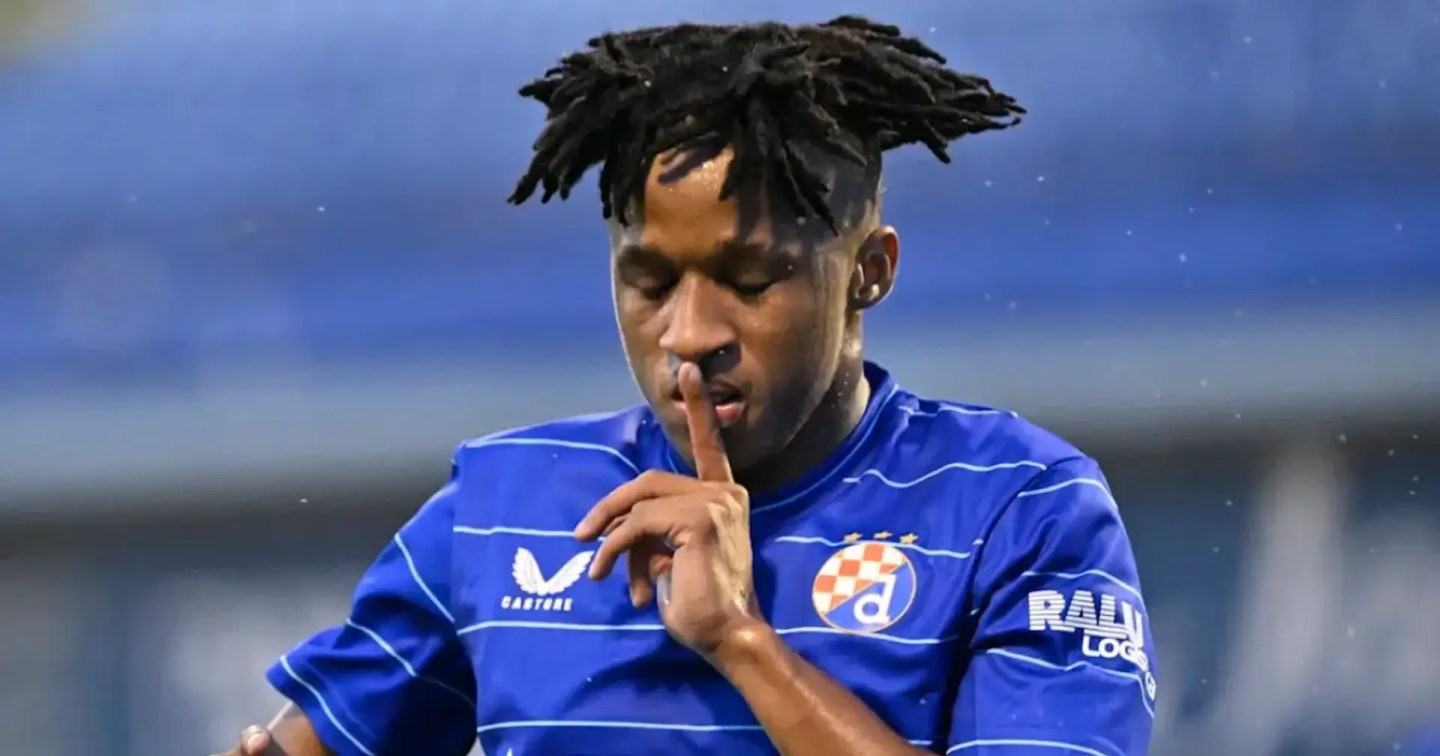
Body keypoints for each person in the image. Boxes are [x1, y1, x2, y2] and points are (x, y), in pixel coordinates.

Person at [215, 15, 1157, 756]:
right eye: (651, 281)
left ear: (868, 270)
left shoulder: (1020, 510)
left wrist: (742, 642)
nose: (691, 334)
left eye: (751, 280)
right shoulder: (499, 508)